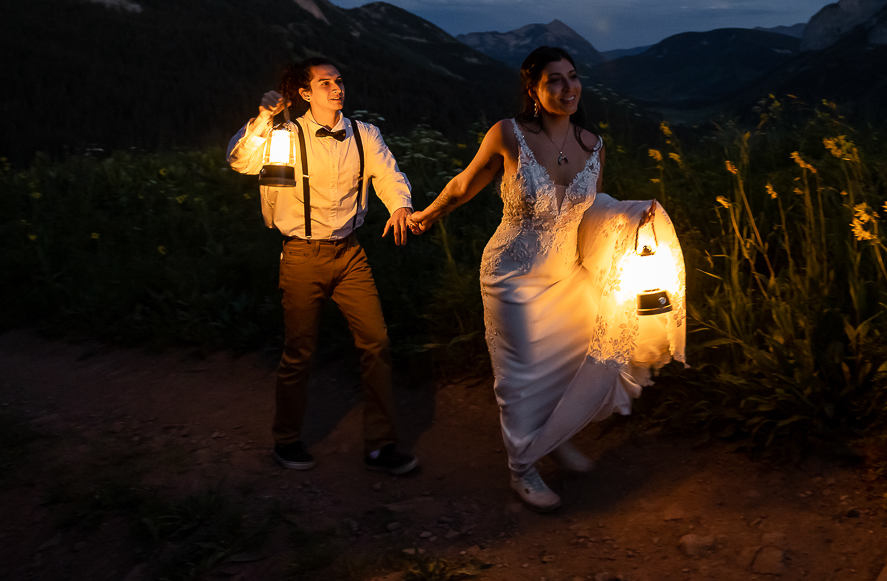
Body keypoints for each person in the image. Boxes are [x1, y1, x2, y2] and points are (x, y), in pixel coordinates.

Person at [408, 46, 686, 511]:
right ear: (533, 90)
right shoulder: (508, 135)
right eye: (554, 80)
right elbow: (463, 184)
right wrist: (427, 215)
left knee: (570, 363)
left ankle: (553, 438)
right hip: (511, 273)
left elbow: (595, 211)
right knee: (520, 375)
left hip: (566, 274)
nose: (568, 87)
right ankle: (523, 467)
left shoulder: (592, 144)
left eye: (572, 77)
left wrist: (637, 214)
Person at [227, 57, 419, 476]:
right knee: (299, 352)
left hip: (350, 255)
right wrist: (262, 117)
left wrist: (400, 206)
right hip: (301, 255)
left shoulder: (364, 134)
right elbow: (240, 161)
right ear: (305, 93)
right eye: (325, 82)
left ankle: (381, 446)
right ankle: (287, 440)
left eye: (339, 81)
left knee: (377, 343)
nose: (336, 88)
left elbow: (388, 174)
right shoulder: (284, 136)